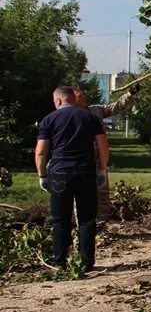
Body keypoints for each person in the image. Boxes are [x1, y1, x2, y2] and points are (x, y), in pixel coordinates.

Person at [35, 86, 109, 272]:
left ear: (58, 101)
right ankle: (86, 262)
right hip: (85, 171)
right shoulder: (90, 117)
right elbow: (103, 146)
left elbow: (41, 152)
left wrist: (42, 176)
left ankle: (61, 262)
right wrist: (102, 169)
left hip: (60, 173)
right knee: (86, 219)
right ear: (72, 99)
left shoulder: (49, 120)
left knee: (60, 219)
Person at [73, 84, 141, 221]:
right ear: (72, 99)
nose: (84, 97)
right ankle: (81, 223)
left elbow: (115, 107)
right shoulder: (68, 116)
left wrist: (130, 94)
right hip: (78, 161)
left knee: (102, 194)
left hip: (97, 161)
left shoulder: (95, 111)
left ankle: (101, 222)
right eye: (80, 96)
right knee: (79, 195)